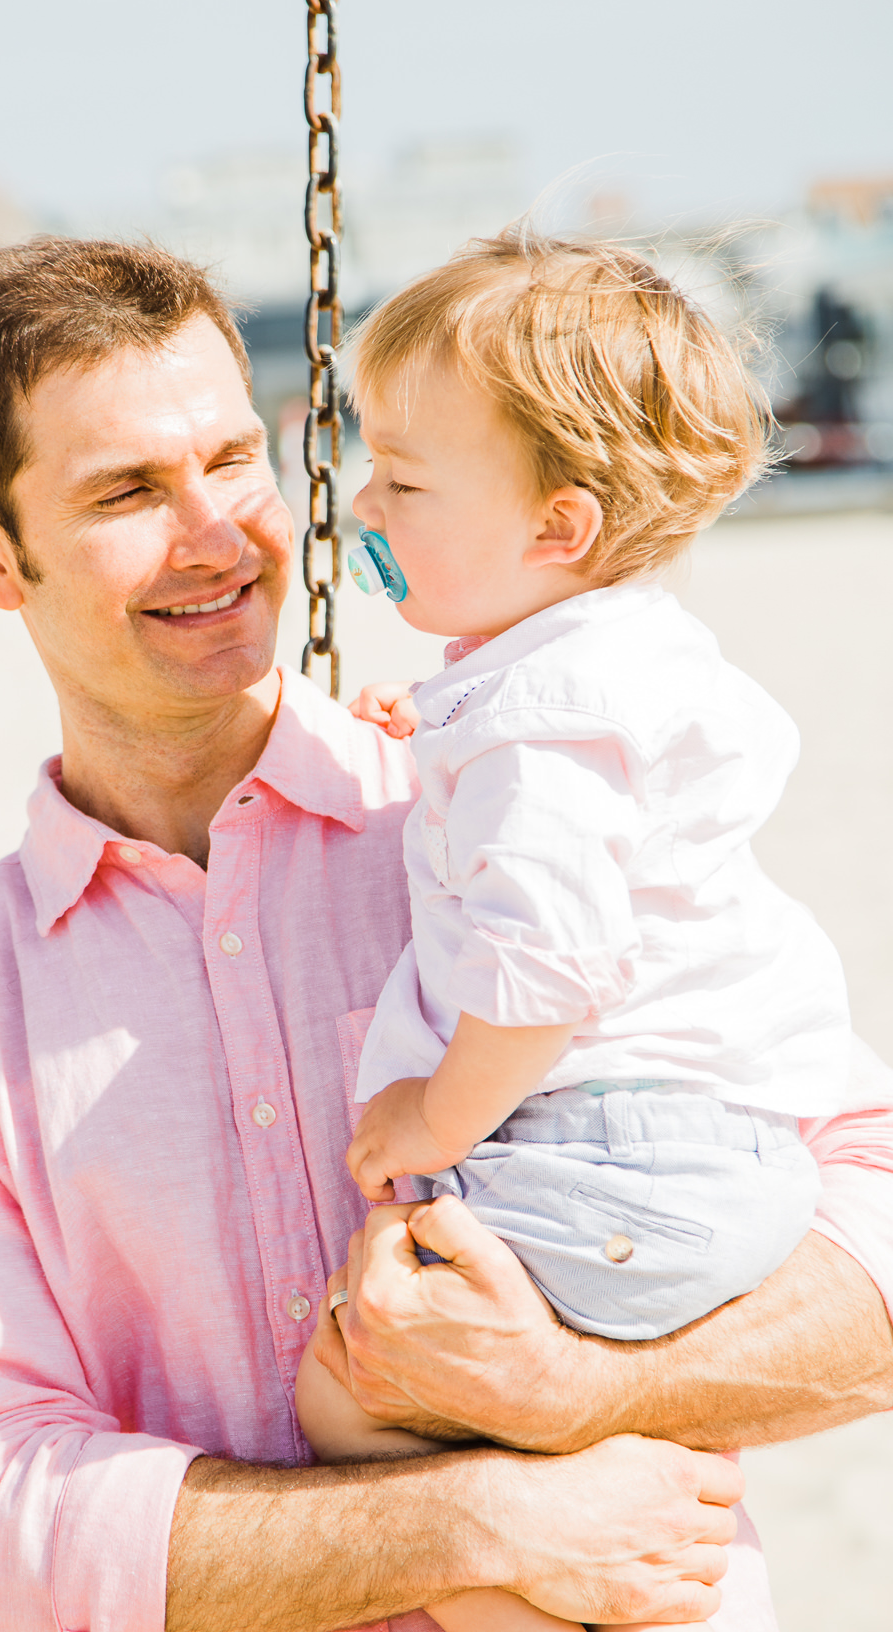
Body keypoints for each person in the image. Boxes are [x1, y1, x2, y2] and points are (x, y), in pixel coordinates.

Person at [0, 235, 893, 1632]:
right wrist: (476, 1519)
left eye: (233, 460)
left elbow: (868, 1233)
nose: (217, 535)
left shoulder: (509, 813)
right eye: (130, 490)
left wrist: (584, 1391)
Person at [292, 230, 856, 1632]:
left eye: (407, 483)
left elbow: (549, 966)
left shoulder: (542, 737)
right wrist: (426, 740)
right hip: (713, 1161)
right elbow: (566, 799)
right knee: (568, 1433)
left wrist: (432, 1116)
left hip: (606, 1155)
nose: (365, 499)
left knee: (360, 1387)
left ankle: (588, 1597)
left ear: (559, 529)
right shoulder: (605, 663)